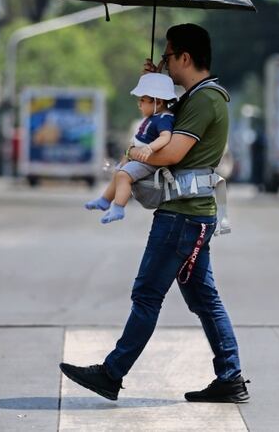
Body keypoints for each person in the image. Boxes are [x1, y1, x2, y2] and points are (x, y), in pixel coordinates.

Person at [60, 23, 248, 403]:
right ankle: (230, 377)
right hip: (190, 214)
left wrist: (130, 153)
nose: (165, 62)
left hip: (181, 217)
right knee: (204, 298)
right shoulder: (194, 98)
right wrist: (155, 81)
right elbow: (161, 117)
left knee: (147, 295)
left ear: (185, 57)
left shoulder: (204, 100)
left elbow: (171, 153)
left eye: (168, 56)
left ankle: (111, 373)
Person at [84, 73, 176, 224]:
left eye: (142, 100)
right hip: (135, 157)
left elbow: (165, 137)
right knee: (117, 172)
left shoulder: (164, 119)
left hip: (147, 161)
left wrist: (150, 148)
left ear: (158, 102)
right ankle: (105, 200)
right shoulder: (152, 117)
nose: (139, 104)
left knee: (123, 176)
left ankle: (118, 207)